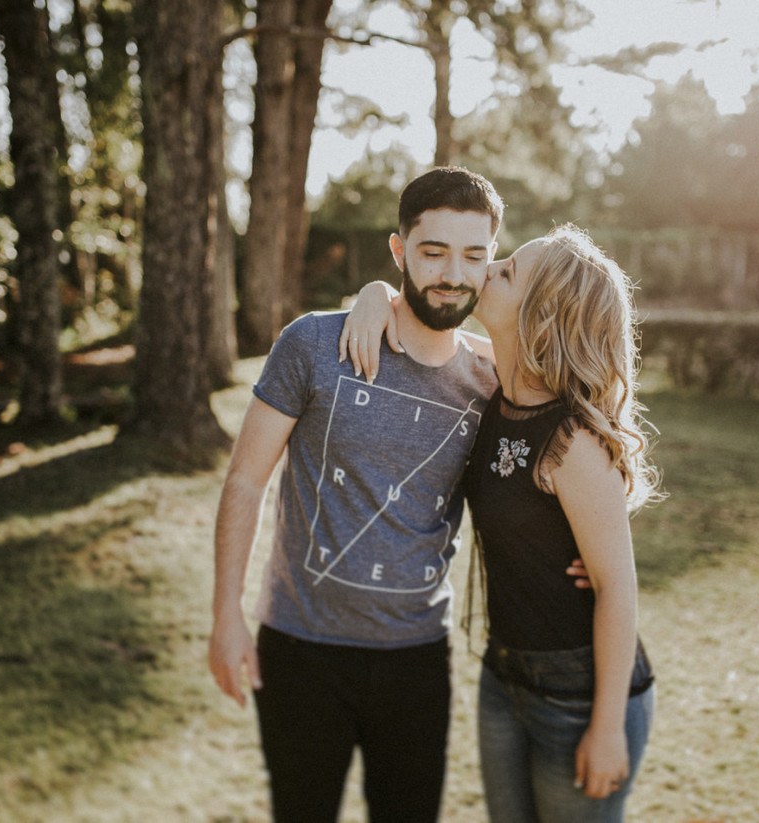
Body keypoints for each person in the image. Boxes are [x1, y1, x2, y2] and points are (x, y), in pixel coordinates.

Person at [208, 166, 504, 823]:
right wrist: (226, 612)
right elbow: (246, 477)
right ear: (399, 251)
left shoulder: (495, 379)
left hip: (418, 659)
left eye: (473, 255)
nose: (453, 272)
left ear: (490, 261)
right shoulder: (313, 344)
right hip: (299, 652)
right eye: (433, 251)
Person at [341, 223, 661, 822]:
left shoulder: (572, 440)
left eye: (506, 270)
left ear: (541, 316)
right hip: (502, 675)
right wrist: (373, 295)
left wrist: (608, 726)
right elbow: (417, 324)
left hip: (581, 694)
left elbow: (618, 587)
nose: (485, 270)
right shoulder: (494, 382)